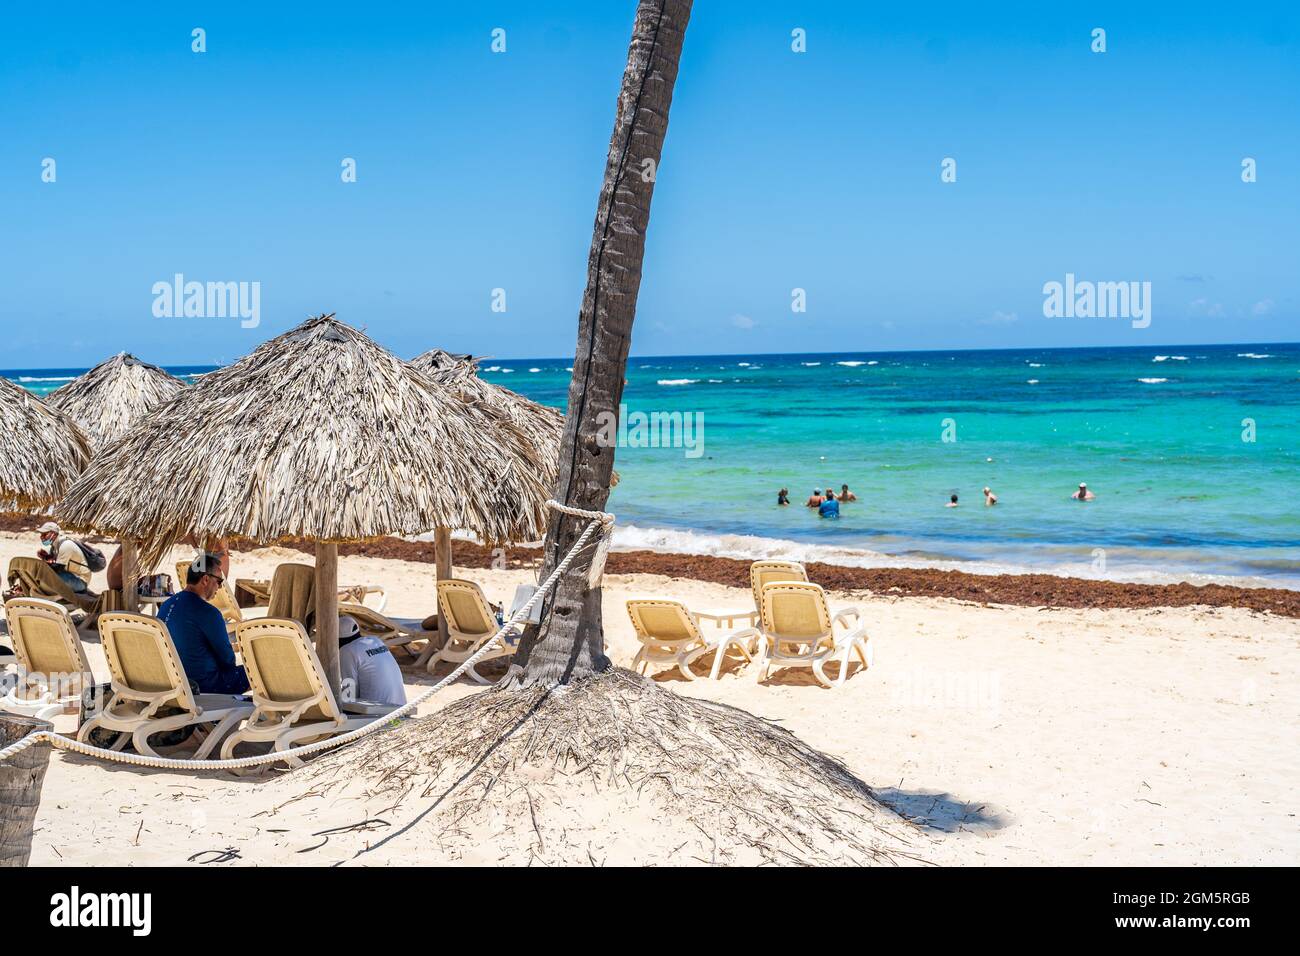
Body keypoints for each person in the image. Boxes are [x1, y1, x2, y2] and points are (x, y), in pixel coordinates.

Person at [157, 553, 249, 695]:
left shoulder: (166, 605)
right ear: (206, 579)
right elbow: (228, 661)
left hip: (174, 682)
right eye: (219, 581)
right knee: (256, 672)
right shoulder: (209, 613)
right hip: (203, 687)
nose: (219, 588)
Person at [338, 615, 407, 708]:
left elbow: (349, 694)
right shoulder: (376, 641)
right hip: (401, 707)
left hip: (379, 713)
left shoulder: (347, 650)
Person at [36, 522, 91, 593]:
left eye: (45, 534)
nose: (41, 537)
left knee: (45, 578)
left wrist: (45, 560)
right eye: (41, 534)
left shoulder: (65, 545)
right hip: (71, 575)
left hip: (80, 581)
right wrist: (46, 557)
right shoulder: (55, 546)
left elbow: (58, 568)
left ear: (54, 534)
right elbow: (54, 562)